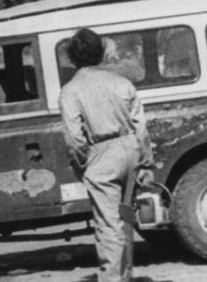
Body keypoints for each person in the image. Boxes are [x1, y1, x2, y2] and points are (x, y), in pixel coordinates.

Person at [59, 28, 155, 282]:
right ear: (101, 53)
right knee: (125, 217)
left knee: (107, 223)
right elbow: (141, 127)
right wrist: (146, 162)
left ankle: (112, 278)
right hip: (130, 148)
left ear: (71, 58)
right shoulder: (122, 83)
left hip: (101, 153)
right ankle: (126, 274)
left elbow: (74, 139)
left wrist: (82, 164)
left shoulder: (71, 90)